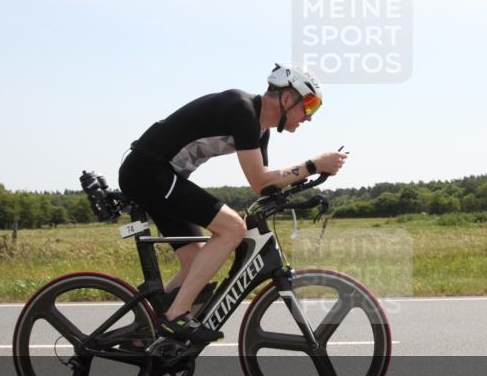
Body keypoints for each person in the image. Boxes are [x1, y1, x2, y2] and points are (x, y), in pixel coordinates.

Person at [118, 62, 347, 344]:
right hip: (148, 172)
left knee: (196, 263)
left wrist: (304, 189)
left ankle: (144, 335)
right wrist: (313, 164)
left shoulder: (259, 129)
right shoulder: (243, 109)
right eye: (308, 106)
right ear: (287, 97)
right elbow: (259, 179)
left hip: (161, 176)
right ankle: (174, 316)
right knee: (232, 229)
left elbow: (264, 186)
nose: (308, 117)